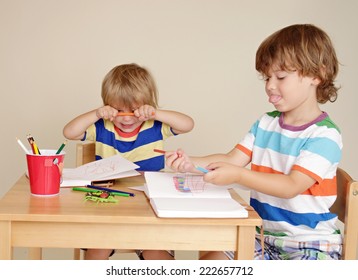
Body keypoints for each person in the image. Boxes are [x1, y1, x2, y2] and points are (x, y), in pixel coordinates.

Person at [165, 24, 343, 260]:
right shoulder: (265, 124)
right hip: (262, 237)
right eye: (267, 77)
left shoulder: (324, 135)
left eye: (280, 77)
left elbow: (291, 186)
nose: (270, 85)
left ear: (316, 75)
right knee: (211, 259)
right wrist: (190, 163)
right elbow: (231, 160)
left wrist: (238, 176)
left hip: (309, 245)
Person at [63, 63, 194, 260]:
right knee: (96, 253)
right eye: (118, 110)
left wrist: (155, 113)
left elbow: (188, 124)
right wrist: (97, 113)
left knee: (157, 255)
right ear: (108, 106)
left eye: (134, 111)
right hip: (108, 204)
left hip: (149, 205)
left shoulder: (155, 126)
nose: (126, 119)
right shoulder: (102, 127)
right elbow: (69, 132)